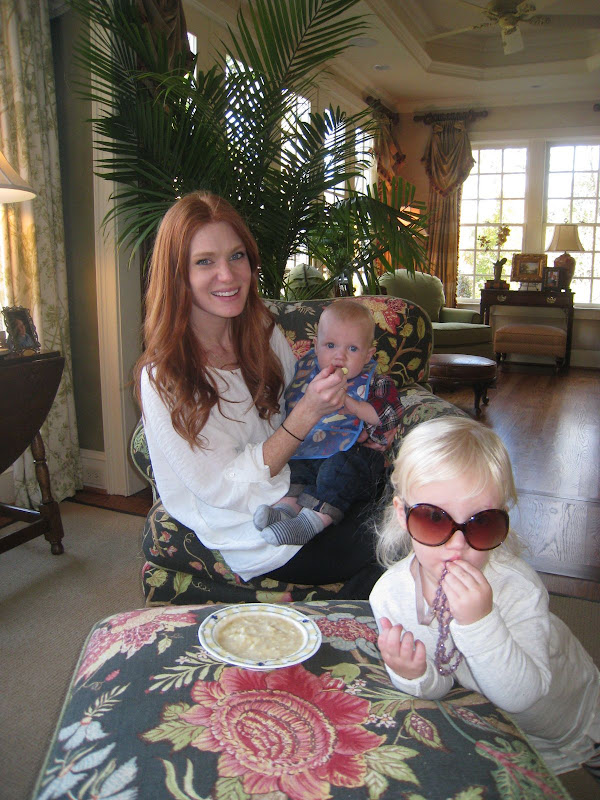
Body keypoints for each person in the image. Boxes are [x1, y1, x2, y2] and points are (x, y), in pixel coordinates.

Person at [134, 191, 383, 587]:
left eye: (237, 256)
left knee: (416, 509)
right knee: (398, 543)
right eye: (204, 261)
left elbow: (295, 398)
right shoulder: (164, 377)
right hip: (256, 528)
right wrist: (307, 415)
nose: (229, 275)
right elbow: (224, 488)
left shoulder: (261, 331)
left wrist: (350, 422)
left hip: (305, 484)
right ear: (177, 274)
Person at [369, 416, 600, 779]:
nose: (457, 544)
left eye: (481, 522)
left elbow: (523, 696)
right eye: (434, 519)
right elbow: (440, 682)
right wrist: (413, 674)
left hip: (564, 704)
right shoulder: (389, 597)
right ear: (402, 514)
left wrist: (480, 621)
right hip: (506, 727)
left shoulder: (517, 587)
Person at [254, 299, 402, 546]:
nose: (339, 356)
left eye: (352, 349)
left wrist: (351, 404)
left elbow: (388, 416)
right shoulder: (305, 375)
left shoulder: (377, 382)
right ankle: (286, 508)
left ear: (368, 354)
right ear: (316, 346)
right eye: (330, 345)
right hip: (315, 448)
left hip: (356, 455)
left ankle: (313, 521)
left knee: (339, 468)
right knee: (296, 464)